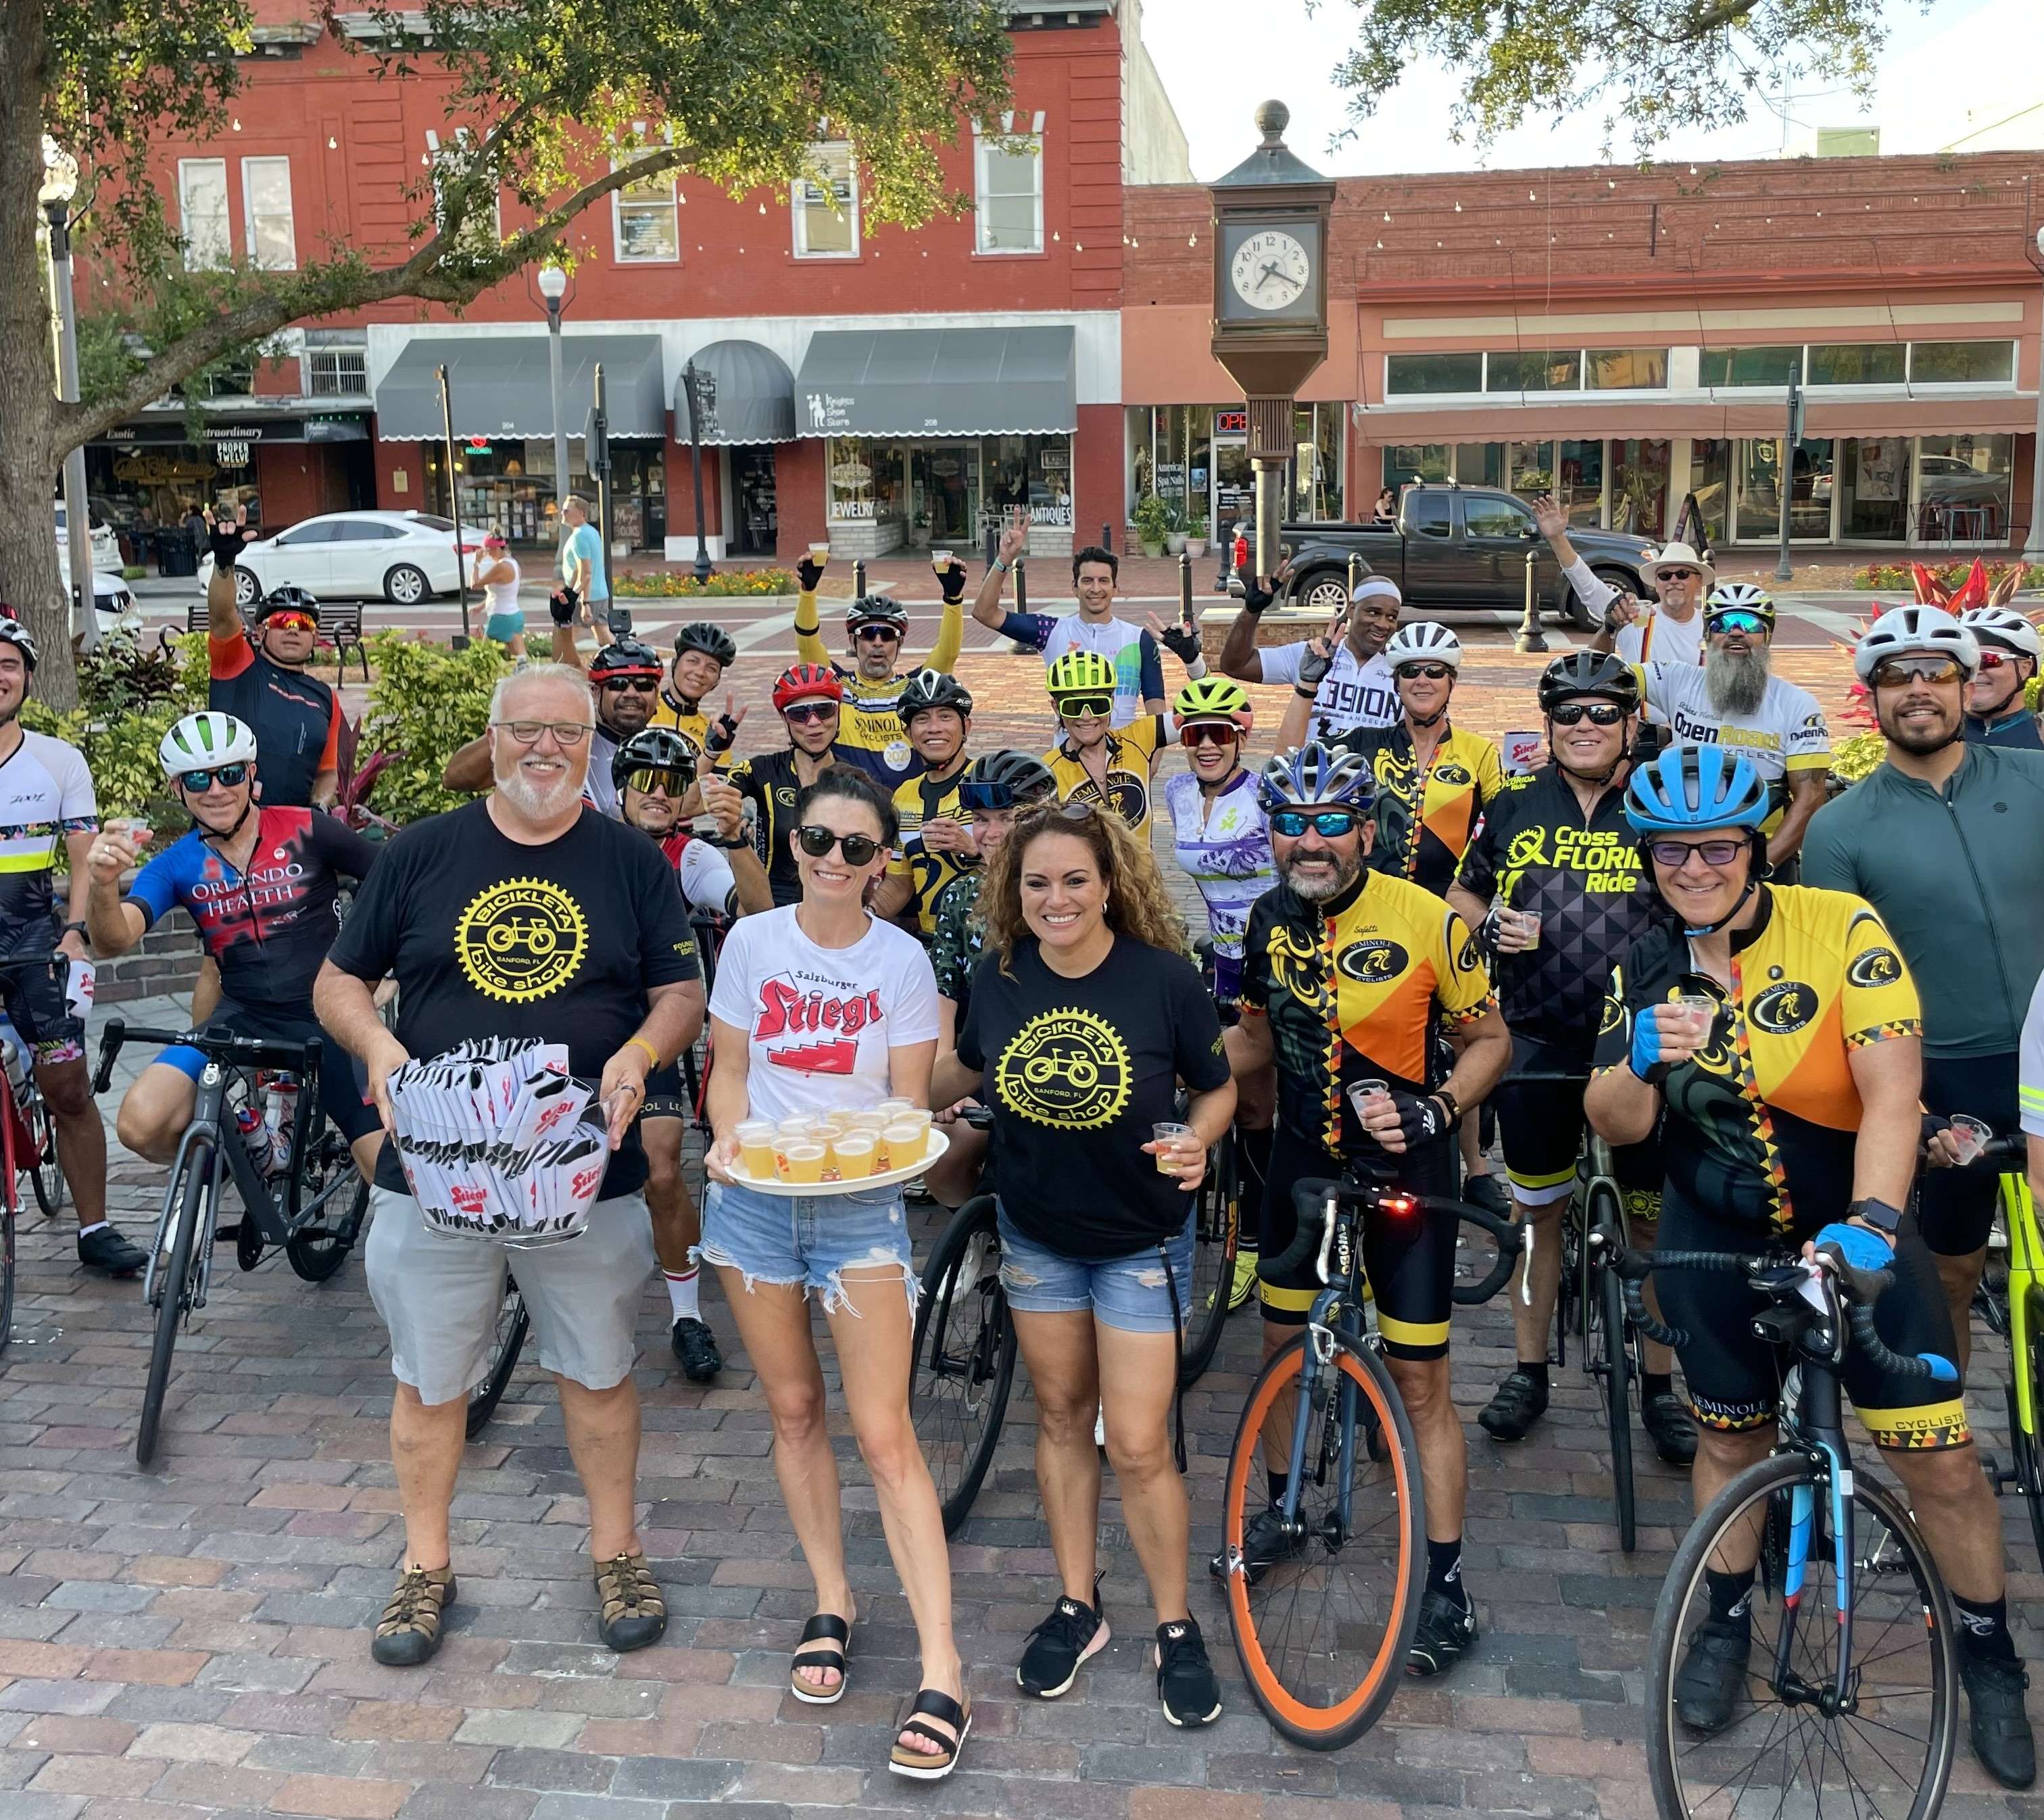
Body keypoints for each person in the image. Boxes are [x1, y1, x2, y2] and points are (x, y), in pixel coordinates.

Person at [1586, 742, 2032, 1788]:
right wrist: (1640, 1054)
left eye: (1717, 847)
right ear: (1647, 859)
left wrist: (1874, 1223)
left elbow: (1890, 1093)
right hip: (1717, 1234)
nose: (1694, 869)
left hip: (1855, 1225)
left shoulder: (1839, 926)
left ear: (1756, 848)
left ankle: (1989, 1652)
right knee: (1728, 1445)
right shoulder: (1641, 964)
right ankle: (1727, 1625)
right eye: (1671, 853)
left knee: (1943, 1462)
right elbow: (1615, 1123)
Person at [312, 663, 705, 1669]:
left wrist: (640, 1054)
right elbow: (340, 981)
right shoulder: (421, 853)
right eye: (525, 730)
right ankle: (425, 1564)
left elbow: (678, 988)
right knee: (429, 1381)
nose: (545, 749)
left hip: (585, 1164)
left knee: (600, 1370)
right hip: (439, 1168)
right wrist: (380, 1047)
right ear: (491, 740)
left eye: (566, 734)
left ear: (590, 747)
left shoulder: (629, 861)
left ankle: (617, 1552)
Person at [930, 798, 1236, 1727]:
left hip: (1141, 1241)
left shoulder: (1163, 980)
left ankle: (1176, 1624)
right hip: (1037, 1238)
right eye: (1036, 884)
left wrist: (1197, 1143)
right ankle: (1080, 1603)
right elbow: (962, 1075)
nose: (1056, 899)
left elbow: (1217, 1090)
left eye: (1074, 880)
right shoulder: (999, 977)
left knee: (1140, 1444)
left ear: (1109, 885)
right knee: (1062, 1418)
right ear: (1011, 892)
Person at [700, 769, 969, 1780]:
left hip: (857, 1204)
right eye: (819, 839)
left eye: (859, 848)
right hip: (756, 1202)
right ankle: (833, 1598)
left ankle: (944, 1663)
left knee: (886, 1432)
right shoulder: (754, 943)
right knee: (795, 1410)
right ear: (795, 841)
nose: (834, 860)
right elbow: (729, 1070)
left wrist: (909, 1153)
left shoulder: (901, 961)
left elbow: (904, 1106)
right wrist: (728, 1142)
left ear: (882, 863)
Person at [1224, 743, 1510, 1679]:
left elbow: (1490, 1039)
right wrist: (1171, 1084)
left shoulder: (1428, 918)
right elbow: (1254, 1038)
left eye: (1330, 822)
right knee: (1277, 1346)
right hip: (1303, 1165)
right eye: (1292, 823)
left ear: (1366, 831)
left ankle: (1450, 1582)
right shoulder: (1266, 919)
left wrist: (1440, 1106)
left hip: (1411, 1167)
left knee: (1423, 1384)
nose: (1310, 841)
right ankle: (1280, 1507)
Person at [1446, 652, 1693, 1461]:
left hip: (1641, 1040)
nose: (1584, 726)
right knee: (1536, 1211)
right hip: (1538, 1033)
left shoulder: (1659, 801)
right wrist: (1488, 929)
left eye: (1601, 714)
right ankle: (1527, 1370)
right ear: (1548, 726)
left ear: (1630, 726)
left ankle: (1662, 1383)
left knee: (1655, 1225)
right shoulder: (1515, 803)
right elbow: (1462, 892)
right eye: (1569, 714)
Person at [1801, 605, 2044, 1368]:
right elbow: (1840, 993)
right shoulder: (1840, 827)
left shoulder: (2037, 778)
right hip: (1945, 1077)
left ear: (1967, 684)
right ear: (1871, 697)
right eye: (1895, 675)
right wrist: (1915, 1110)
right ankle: (1955, 1450)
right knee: (1952, 1270)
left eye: (1935, 672)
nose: (1917, 689)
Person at [87, 713, 383, 1187]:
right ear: (177, 789)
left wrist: (379, 970)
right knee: (139, 1125)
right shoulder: (177, 864)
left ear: (251, 774)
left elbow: (395, 881)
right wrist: (103, 886)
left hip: (328, 1015)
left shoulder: (308, 829)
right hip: (242, 1015)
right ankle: (245, 1162)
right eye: (198, 779)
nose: (216, 789)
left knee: (383, 1168)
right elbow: (114, 939)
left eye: (229, 773)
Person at [1318, 621, 1509, 1218]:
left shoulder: (1478, 753)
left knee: (1464, 1032)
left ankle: (1474, 1164)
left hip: (1446, 915)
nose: (1422, 681)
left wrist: (1491, 908)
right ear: (1395, 680)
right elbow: (1303, 771)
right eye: (1410, 672)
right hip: (1370, 909)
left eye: (1434, 672)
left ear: (1451, 681)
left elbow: (1505, 835)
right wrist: (1305, 686)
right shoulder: (1364, 742)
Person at [612, 726, 771, 1384]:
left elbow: (759, 916)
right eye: (643, 780)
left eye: (672, 783)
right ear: (619, 786)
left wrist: (735, 843)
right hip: (566, 1027)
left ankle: (685, 1314)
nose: (657, 793)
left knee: (660, 1169)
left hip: (652, 1030)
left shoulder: (689, 854)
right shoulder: (583, 841)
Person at [0, 620, 137, 1275]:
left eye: (8, 663)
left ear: (27, 677)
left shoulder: (59, 760)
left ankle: (96, 1228)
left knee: (71, 1090)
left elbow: (83, 860)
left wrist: (76, 932)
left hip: (34, 944)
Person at [1159, 675, 1277, 1308]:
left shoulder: (1264, 794)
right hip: (1221, 965)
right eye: (1194, 733)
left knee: (1259, 1108)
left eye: (1219, 733)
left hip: (1277, 968)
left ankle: (1256, 1242)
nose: (1206, 745)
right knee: (1214, 1093)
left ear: (1241, 736)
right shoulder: (1177, 792)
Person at [925, 749, 1058, 1209]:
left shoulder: (1063, 899)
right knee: (941, 1152)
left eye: (1008, 817)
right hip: (980, 1061)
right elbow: (943, 992)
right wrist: (944, 1078)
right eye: (980, 820)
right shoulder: (961, 896)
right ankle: (977, 1227)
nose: (992, 833)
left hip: (1055, 1060)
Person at [1632, 583, 1829, 869]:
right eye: (1722, 623)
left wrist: (1760, 868)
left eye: (1750, 623)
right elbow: (1602, 678)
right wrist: (1610, 627)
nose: (1736, 631)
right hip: (1685, 851)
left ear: (1768, 637)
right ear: (1708, 636)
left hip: (1761, 852)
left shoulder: (1798, 704)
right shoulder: (1678, 679)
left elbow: (1810, 799)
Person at [970, 510, 1184, 727]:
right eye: (1087, 580)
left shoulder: (1139, 639)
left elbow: (1157, 718)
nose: (1096, 588)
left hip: (1126, 758)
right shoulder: (1050, 631)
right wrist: (1003, 561)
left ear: (1115, 587)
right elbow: (984, 613)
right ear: (1074, 587)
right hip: (1067, 758)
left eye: (1104, 581)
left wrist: (1149, 762)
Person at [792, 549, 964, 791]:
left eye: (887, 634)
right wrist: (808, 592)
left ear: (900, 643)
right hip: (850, 807)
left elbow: (948, 653)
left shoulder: (913, 690)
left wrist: (953, 598)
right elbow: (807, 643)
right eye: (868, 634)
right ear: (854, 642)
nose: (878, 642)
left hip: (906, 810)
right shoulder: (837, 686)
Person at [440, 634, 663, 818]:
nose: (632, 694)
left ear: (657, 696)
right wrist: (521, 724)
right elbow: (456, 778)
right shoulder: (561, 739)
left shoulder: (665, 747)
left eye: (644, 686)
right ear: (595, 693)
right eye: (619, 685)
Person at [204, 524, 341, 810]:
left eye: (303, 624)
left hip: (291, 837)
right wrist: (224, 564)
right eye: (281, 621)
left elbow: (328, 773)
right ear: (261, 632)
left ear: (315, 638)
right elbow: (221, 615)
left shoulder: (326, 698)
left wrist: (320, 808)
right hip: (226, 826)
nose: (292, 630)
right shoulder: (239, 665)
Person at [1534, 494, 1712, 669]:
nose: (1673, 581)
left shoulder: (1713, 627)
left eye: (1682, 574)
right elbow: (1586, 584)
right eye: (1665, 576)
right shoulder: (1636, 617)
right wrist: (1557, 539)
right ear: (1657, 583)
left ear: (1699, 581)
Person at [1218, 573, 1401, 740]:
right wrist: (1251, 611)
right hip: (1311, 773)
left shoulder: (1403, 672)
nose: (1383, 624)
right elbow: (1236, 665)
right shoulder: (1311, 655)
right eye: (1374, 613)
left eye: (1392, 617)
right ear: (1352, 610)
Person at [726, 664, 842, 909]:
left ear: (838, 712)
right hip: (770, 909)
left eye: (824, 710)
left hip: (833, 911)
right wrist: (713, 750)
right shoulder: (761, 770)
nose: (813, 722)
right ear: (783, 718)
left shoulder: (854, 781)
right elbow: (691, 804)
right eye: (799, 714)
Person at [873, 669, 976, 938]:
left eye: (946, 716)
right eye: (922, 719)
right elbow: (899, 882)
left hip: (988, 940)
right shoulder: (903, 795)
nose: (934, 728)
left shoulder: (990, 779)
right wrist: (866, 917)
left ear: (966, 726)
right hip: (933, 943)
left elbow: (1027, 866)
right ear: (908, 732)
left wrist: (975, 850)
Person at [1041, 650, 1169, 836]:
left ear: (1112, 701)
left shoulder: (1138, 738)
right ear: (1056, 708)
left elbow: (1204, 713)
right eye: (1074, 707)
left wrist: (1193, 663)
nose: (1087, 717)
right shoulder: (1048, 773)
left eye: (1097, 705)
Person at [647, 622, 741, 760]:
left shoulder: (714, 732)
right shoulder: (644, 708)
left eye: (711, 668)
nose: (700, 672)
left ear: (717, 681)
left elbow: (718, 781)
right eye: (693, 661)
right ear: (675, 664)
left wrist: (716, 748)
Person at [1957, 604, 2043, 750]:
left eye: (1988, 660)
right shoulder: (1931, 736)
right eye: (1963, 662)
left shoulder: (2040, 735)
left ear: (2025, 668)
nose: (1974, 671)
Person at [559, 495, 608, 626]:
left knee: (568, 634)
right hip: (600, 592)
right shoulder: (592, 532)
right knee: (603, 634)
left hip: (586, 595)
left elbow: (585, 571)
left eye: (567, 510)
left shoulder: (579, 536)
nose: (563, 513)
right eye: (563, 510)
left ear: (581, 513)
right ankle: (622, 647)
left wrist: (584, 602)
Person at [477, 530, 525, 658]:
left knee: (485, 655)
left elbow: (475, 584)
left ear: (497, 548)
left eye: (488, 550)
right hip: (515, 615)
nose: (487, 554)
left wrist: (477, 563)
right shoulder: (514, 563)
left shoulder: (502, 567)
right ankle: (530, 676)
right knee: (520, 656)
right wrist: (482, 605)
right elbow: (504, 592)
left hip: (501, 616)